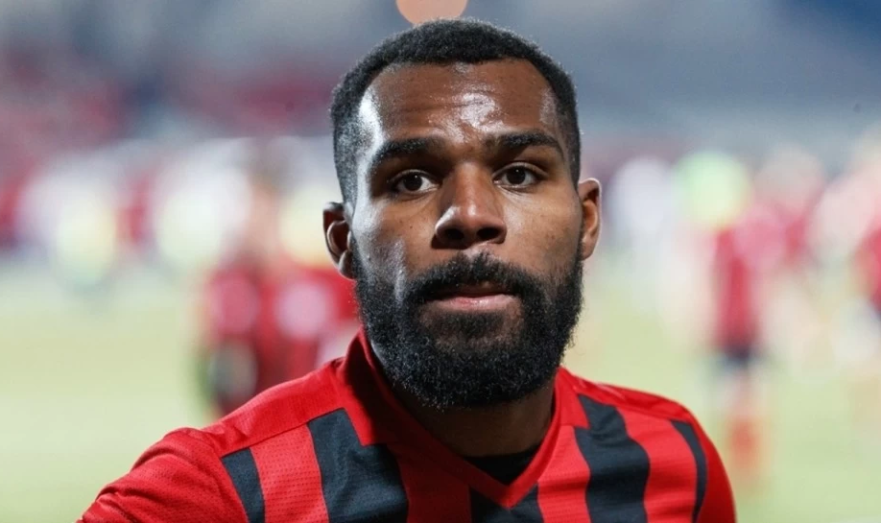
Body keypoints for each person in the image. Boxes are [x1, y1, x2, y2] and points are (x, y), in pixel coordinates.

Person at [80, 19, 735, 522]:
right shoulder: (222, 492)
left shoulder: (674, 467)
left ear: (587, 220)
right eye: (412, 179)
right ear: (342, 240)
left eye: (518, 173)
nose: (470, 215)